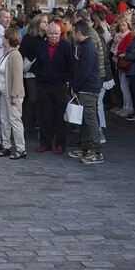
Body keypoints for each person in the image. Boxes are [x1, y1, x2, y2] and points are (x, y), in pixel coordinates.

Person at [30, 21, 74, 154]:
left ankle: (60, 144)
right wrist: (40, 80)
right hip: (44, 85)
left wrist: (68, 83)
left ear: (60, 34)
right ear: (46, 34)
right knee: (44, 115)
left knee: (61, 116)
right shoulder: (42, 46)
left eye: (56, 34)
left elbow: (71, 66)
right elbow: (38, 64)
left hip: (60, 85)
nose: (53, 36)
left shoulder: (66, 46)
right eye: (51, 34)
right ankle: (45, 143)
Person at [68, 20, 104, 164]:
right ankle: (86, 148)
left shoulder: (88, 48)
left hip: (88, 89)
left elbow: (84, 71)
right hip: (84, 88)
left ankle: (97, 151)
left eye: (73, 33)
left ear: (79, 33)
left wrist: (75, 87)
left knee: (90, 121)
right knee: (84, 120)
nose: (72, 36)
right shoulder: (83, 47)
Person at [0, 31, 27, 158]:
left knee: (15, 121)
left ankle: (21, 149)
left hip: (12, 94)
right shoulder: (6, 54)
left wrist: (14, 95)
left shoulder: (15, 55)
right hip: (3, 93)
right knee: (4, 121)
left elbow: (17, 77)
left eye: (3, 37)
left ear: (8, 39)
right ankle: (7, 146)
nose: (2, 39)